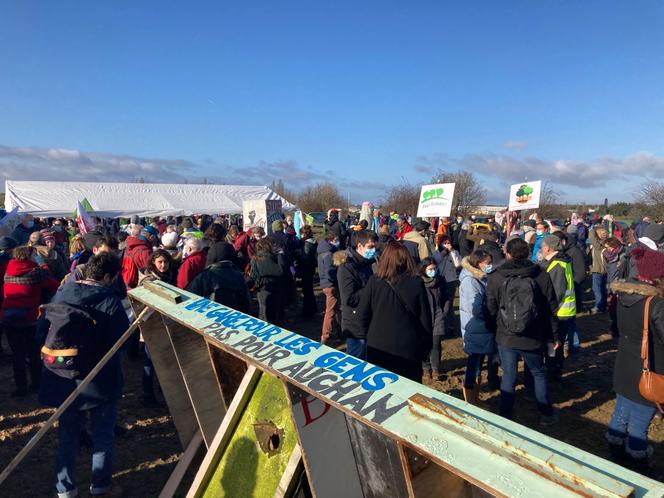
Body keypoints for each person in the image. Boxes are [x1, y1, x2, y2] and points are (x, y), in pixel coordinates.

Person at [39, 253, 130, 497]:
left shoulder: (62, 293)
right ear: (109, 277)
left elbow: (42, 330)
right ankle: (100, 485)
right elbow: (121, 341)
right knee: (102, 435)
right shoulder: (109, 301)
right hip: (99, 379)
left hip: (64, 376)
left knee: (68, 435)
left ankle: (65, 489)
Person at [485, 238, 559, 425]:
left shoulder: (496, 276)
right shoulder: (541, 275)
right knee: (538, 373)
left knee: (508, 375)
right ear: (528, 253)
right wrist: (553, 335)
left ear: (507, 254)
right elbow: (551, 308)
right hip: (533, 336)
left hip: (506, 336)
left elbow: (490, 307)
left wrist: (495, 329)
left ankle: (505, 415)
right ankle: (546, 413)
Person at [607, 247, 664, 473]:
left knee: (621, 412)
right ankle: (638, 467)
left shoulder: (623, 296)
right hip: (650, 366)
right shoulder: (656, 303)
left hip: (625, 363)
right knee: (640, 421)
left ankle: (615, 455)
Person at [358, 241, 432, 381]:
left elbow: (362, 314)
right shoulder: (416, 282)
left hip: (378, 345)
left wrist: (366, 336)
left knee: (380, 386)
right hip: (408, 345)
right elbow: (425, 320)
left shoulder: (375, 281)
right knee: (408, 389)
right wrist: (426, 348)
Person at [2, 245, 60, 396]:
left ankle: (21, 388)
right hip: (30, 318)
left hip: (9, 318)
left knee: (17, 355)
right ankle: (36, 384)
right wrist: (44, 265)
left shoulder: (8, 271)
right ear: (29, 256)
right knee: (33, 353)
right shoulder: (36, 272)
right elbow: (54, 285)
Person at [459, 250, 498, 404]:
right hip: (476, 327)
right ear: (478, 263)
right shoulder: (470, 281)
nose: (490, 266)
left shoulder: (481, 277)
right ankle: (471, 397)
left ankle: (474, 395)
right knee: (474, 362)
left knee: (478, 361)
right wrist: (491, 314)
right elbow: (473, 307)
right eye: (487, 263)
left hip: (482, 328)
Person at [540, 235, 577, 381]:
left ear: (549, 248)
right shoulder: (561, 261)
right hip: (563, 311)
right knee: (557, 343)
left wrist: (547, 309)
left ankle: (553, 371)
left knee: (554, 344)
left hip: (559, 312)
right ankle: (554, 367)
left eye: (543, 246)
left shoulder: (557, 266)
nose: (541, 249)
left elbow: (556, 292)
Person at [337, 230, 377, 359]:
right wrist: (371, 287)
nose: (374, 250)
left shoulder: (367, 263)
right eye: (370, 247)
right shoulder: (347, 267)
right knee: (355, 359)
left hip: (367, 319)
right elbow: (349, 298)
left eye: (375, 246)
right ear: (359, 246)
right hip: (355, 323)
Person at [188, 243, 251, 313]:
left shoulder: (204, 276)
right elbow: (246, 303)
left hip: (210, 316)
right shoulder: (239, 275)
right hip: (233, 318)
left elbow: (190, 298)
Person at [419, 257, 448, 381]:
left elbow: (447, 298)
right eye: (430, 269)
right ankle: (425, 368)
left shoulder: (440, 280)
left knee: (436, 344)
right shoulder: (418, 282)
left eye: (435, 268)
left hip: (438, 315)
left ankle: (435, 368)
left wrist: (444, 312)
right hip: (423, 317)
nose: (433, 271)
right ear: (424, 269)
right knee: (424, 344)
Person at [250, 238, 284, 324]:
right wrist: (280, 255)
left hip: (261, 287)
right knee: (267, 315)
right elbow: (279, 271)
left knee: (263, 312)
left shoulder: (257, 256)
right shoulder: (266, 258)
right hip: (268, 288)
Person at [432, 235, 461, 337]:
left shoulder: (454, 252)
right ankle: (441, 325)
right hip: (440, 281)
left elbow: (457, 264)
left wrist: (452, 251)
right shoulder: (436, 253)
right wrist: (444, 252)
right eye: (444, 243)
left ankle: (451, 326)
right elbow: (436, 260)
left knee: (449, 305)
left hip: (451, 281)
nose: (447, 245)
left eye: (448, 242)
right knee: (439, 303)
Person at [317, 232, 341, 344]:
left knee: (335, 309)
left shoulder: (321, 252)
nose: (337, 241)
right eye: (335, 239)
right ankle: (325, 336)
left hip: (325, 284)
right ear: (330, 240)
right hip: (330, 285)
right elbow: (329, 272)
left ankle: (337, 331)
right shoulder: (329, 254)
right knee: (330, 312)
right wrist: (336, 281)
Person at [295, 225, 317, 317]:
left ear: (304, 234)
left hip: (306, 269)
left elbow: (306, 257)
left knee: (307, 290)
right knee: (309, 289)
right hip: (311, 268)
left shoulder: (307, 243)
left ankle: (307, 312)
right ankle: (312, 308)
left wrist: (298, 254)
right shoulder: (313, 241)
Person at [588, 226, 609, 314]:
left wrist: (593, 228)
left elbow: (591, 237)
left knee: (596, 289)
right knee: (603, 288)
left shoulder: (598, 245)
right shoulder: (606, 244)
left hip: (598, 270)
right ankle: (604, 306)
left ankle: (598, 306)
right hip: (605, 270)